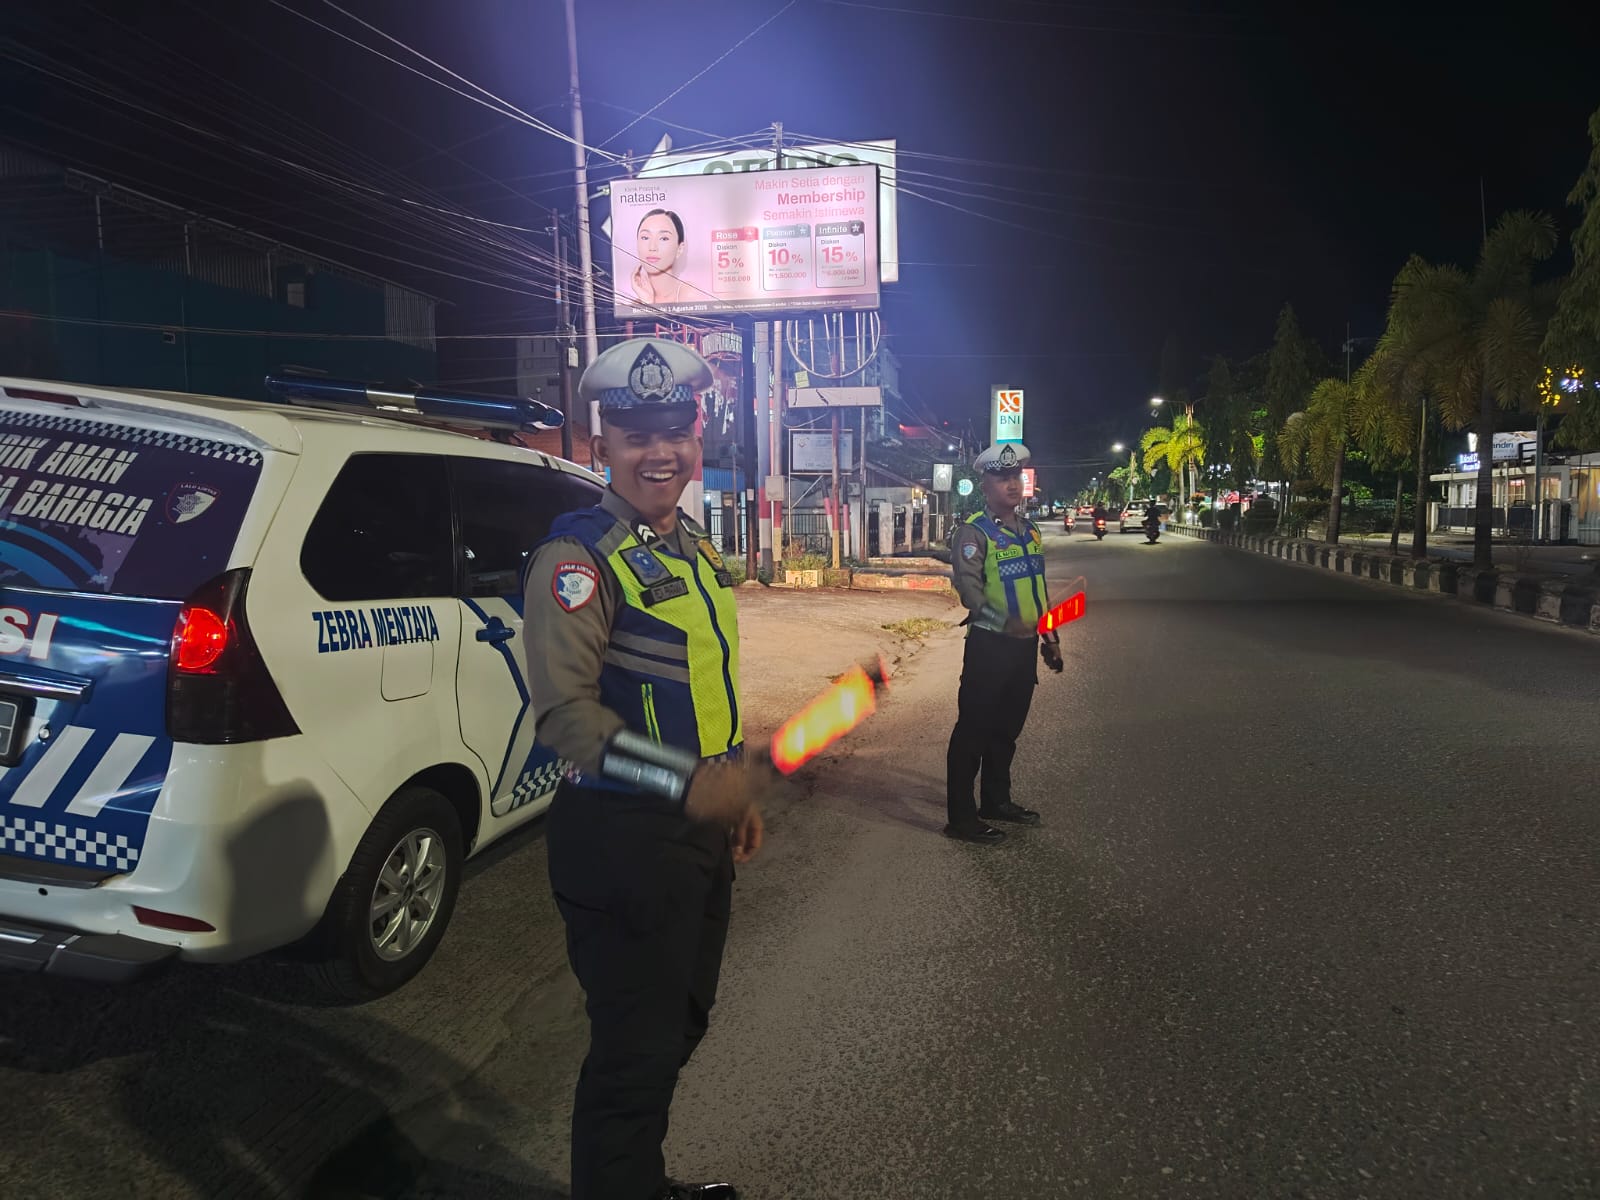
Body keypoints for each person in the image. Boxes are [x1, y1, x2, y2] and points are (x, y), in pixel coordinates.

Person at [523, 337, 768, 1200]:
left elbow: (709, 688)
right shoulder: (577, 560)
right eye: (637, 436)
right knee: (634, 1053)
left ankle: (639, 1182)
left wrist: (727, 792)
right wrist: (687, 782)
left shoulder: (688, 549)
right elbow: (566, 717)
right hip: (621, 836)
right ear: (601, 447)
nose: (659, 452)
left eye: (675, 430)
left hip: (692, 828)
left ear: (698, 436)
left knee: (681, 1023)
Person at [945, 442, 1063, 845]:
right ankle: (961, 819)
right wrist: (1005, 622)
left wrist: (1050, 638)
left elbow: (1038, 590)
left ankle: (996, 801)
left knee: (1005, 732)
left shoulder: (1029, 532)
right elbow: (969, 591)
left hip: (1023, 648)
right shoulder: (974, 533)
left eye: (1015, 477)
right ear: (986, 484)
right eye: (1002, 478)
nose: (1011, 485)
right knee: (973, 732)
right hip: (989, 647)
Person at [631, 208, 694, 306]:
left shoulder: (689, 294)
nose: (652, 247)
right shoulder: (636, 305)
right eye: (645, 237)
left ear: (680, 249)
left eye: (664, 238)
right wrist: (648, 302)